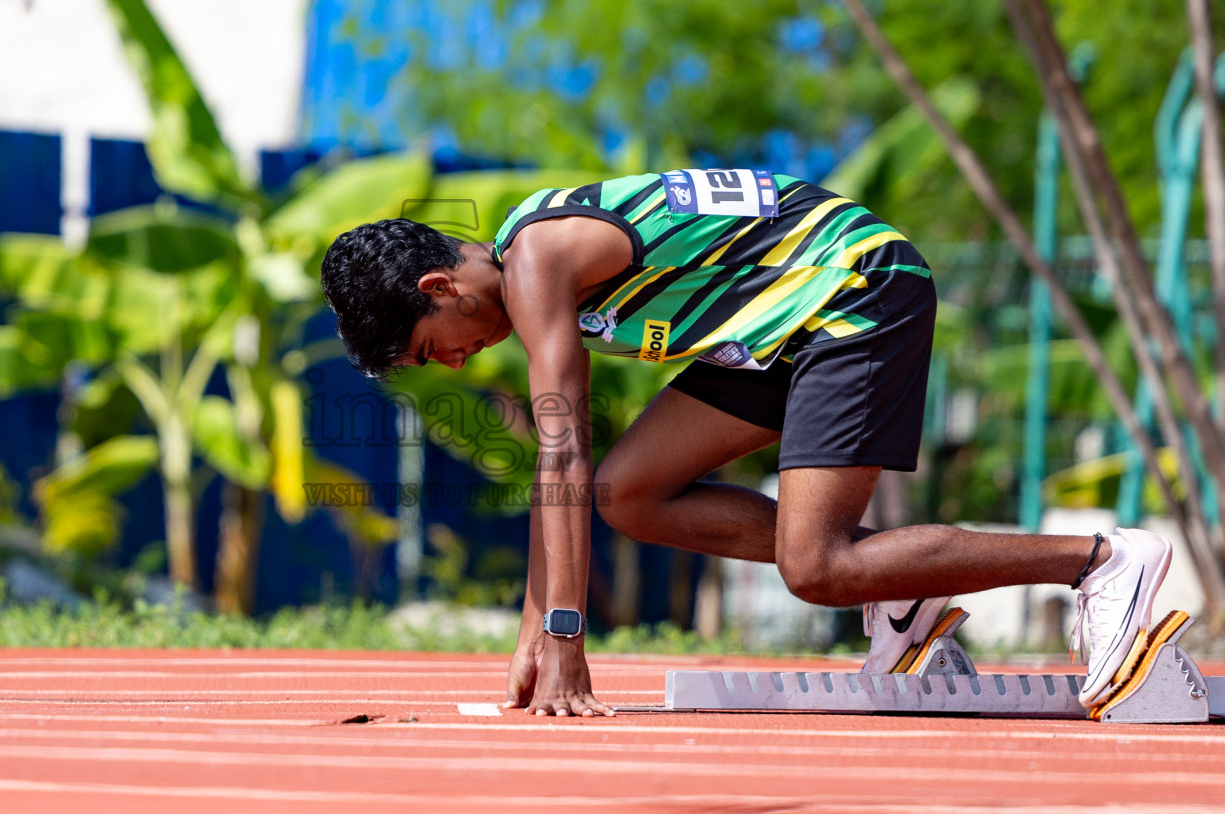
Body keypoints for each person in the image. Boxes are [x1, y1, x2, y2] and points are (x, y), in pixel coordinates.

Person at [319, 168, 1171, 717]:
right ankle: (906, 596)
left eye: (439, 345)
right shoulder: (528, 247)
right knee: (630, 492)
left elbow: (560, 455)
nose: (460, 359)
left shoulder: (536, 261)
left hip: (853, 293)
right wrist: (530, 633)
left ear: (440, 287)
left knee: (818, 567)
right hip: (774, 331)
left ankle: (1099, 561)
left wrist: (566, 636)